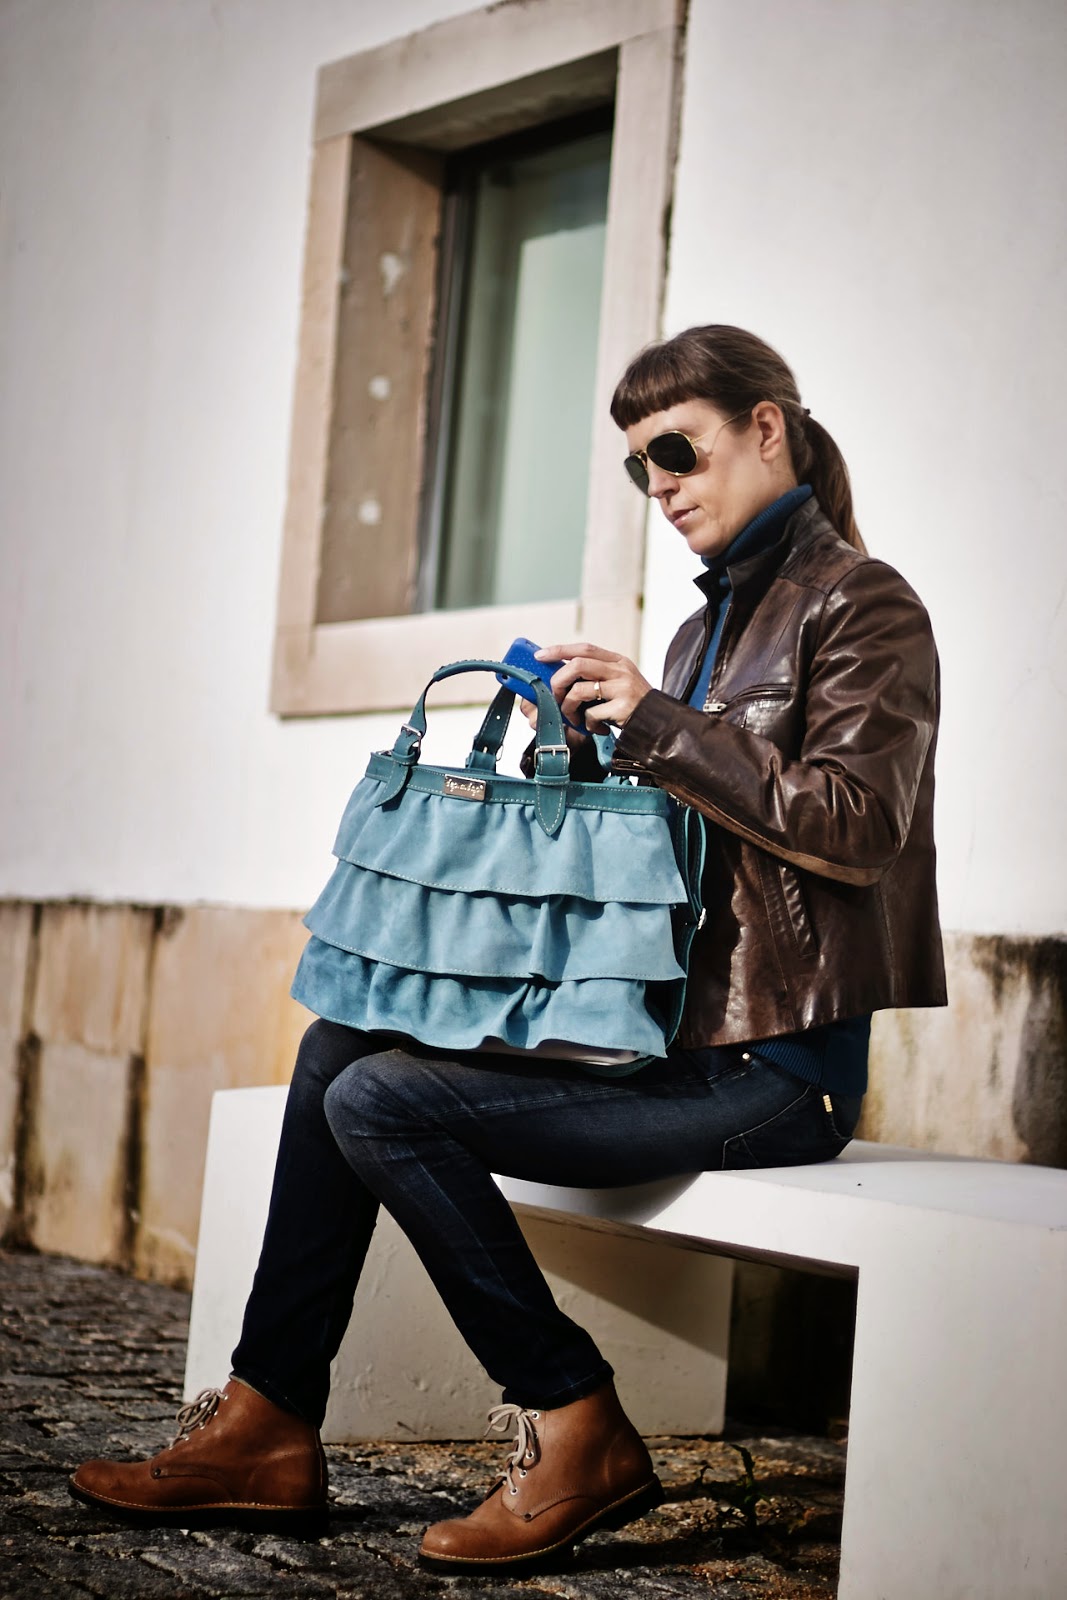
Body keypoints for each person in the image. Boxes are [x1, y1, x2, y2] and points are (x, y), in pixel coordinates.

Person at [70, 324, 945, 1576]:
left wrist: (657, 724)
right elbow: (684, 846)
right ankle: (267, 1421)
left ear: (767, 428)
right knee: (338, 1047)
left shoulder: (864, 605)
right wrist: (588, 749)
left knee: (382, 1101)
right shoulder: (700, 634)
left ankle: (574, 1420)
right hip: (659, 1035)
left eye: (679, 451)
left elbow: (856, 827)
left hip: (772, 1069)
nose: (661, 487)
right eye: (640, 467)